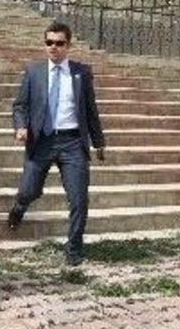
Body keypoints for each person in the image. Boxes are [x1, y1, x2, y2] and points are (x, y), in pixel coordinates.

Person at [7, 21, 106, 266]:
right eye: (49, 42)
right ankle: (19, 207)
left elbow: (90, 109)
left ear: (68, 45)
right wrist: (20, 126)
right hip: (41, 141)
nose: (53, 47)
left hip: (73, 143)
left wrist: (98, 142)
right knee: (29, 190)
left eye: (59, 43)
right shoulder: (34, 72)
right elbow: (20, 106)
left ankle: (74, 249)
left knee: (79, 198)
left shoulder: (81, 73)